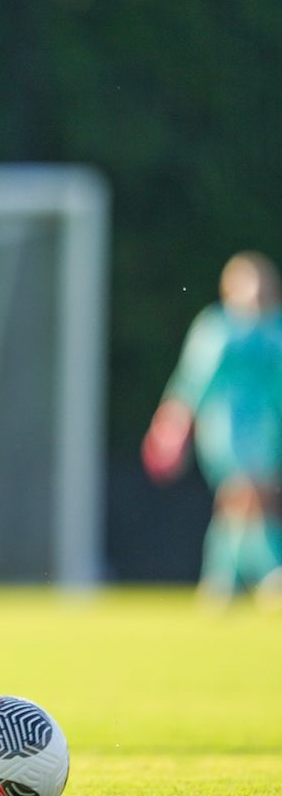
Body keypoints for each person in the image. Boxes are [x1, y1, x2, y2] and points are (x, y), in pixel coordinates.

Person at [142, 251, 282, 607]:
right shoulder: (217, 328)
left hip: (265, 426)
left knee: (247, 502)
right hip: (225, 423)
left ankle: (220, 581)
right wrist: (172, 423)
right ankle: (270, 572)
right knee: (245, 491)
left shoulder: (275, 328)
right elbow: (191, 382)